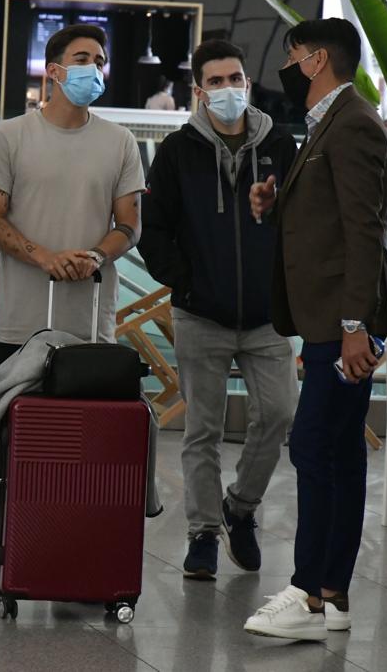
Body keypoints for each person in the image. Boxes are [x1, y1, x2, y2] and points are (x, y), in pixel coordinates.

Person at [0, 23, 146, 597]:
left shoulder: (120, 142)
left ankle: (76, 554)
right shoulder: (11, 137)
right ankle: (1, 554)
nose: (94, 67)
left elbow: (129, 227)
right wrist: (44, 257)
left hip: (90, 323)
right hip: (20, 318)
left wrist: (93, 255)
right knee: (12, 441)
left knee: (85, 449)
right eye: (82, 58)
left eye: (100, 58)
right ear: (55, 69)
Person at [243, 18, 387, 641]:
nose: (287, 66)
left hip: (345, 318)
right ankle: (333, 595)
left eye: (294, 55)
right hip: (332, 317)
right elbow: (330, 217)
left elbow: (365, 231)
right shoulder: (328, 123)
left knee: (313, 446)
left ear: (317, 60)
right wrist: (274, 204)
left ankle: (307, 595)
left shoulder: (353, 123)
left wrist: (357, 324)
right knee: (335, 451)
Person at [138, 39, 299, 580]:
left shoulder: (280, 143)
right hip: (200, 315)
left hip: (268, 315)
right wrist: (185, 281)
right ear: (199, 91)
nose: (227, 89)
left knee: (278, 414)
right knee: (201, 430)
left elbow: (301, 219)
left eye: (235, 79)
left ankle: (241, 507)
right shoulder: (178, 151)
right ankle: (203, 533)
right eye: (216, 82)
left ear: (247, 83)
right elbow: (153, 228)